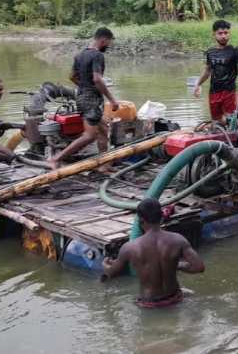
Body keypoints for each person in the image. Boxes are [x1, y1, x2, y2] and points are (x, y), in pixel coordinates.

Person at [102, 198, 205, 308]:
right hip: (175, 298)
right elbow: (198, 267)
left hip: (148, 304)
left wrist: (105, 266)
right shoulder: (178, 240)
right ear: (161, 218)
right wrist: (176, 265)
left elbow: (111, 273)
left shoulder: (129, 247)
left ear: (140, 220)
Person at [48, 27, 119, 171]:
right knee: (89, 136)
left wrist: (84, 86)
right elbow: (97, 79)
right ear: (103, 39)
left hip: (81, 97)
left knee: (104, 129)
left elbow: (72, 77)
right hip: (91, 100)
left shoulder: (80, 55)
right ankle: (56, 158)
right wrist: (112, 100)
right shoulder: (97, 55)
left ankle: (104, 165)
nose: (109, 46)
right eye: (109, 42)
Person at [193, 20, 238, 125]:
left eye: (226, 33)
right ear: (214, 35)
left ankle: (233, 136)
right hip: (213, 92)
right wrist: (198, 84)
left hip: (229, 92)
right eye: (220, 33)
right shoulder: (210, 52)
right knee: (217, 121)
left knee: (231, 119)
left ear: (229, 34)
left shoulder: (234, 51)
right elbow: (207, 70)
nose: (223, 36)